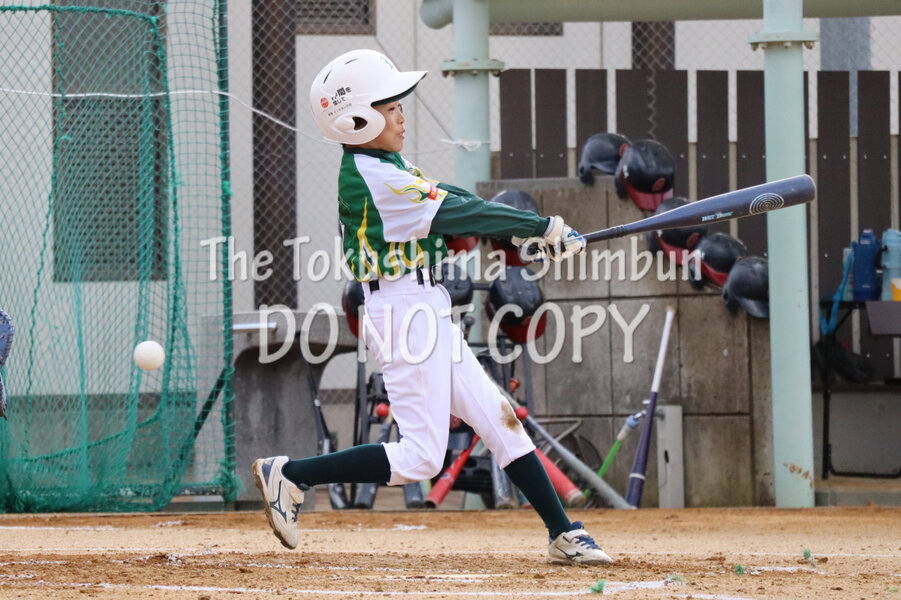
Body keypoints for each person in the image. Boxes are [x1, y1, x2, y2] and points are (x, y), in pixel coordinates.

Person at [251, 49, 612, 566]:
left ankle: (562, 533)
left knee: (498, 419)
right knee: (422, 457)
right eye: (389, 108)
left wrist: (528, 231)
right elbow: (459, 213)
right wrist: (540, 227)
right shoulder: (377, 178)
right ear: (357, 120)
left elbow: (449, 194)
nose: (401, 116)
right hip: (402, 314)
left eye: (398, 106)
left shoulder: (384, 164)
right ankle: (291, 475)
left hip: (422, 306)